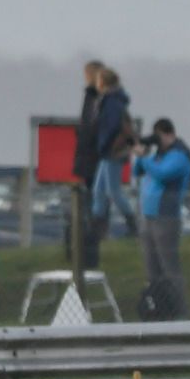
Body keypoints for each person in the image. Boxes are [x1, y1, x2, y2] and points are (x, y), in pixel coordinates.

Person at [131, 117, 190, 321]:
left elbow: (163, 174)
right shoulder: (158, 155)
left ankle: (179, 311)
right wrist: (141, 154)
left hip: (166, 217)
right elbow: (136, 171)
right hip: (148, 216)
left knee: (169, 267)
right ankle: (159, 308)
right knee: (152, 268)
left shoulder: (180, 155)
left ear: (169, 134)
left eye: (159, 137)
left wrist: (145, 158)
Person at [91, 68, 138, 237]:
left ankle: (133, 224)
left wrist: (104, 142)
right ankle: (96, 226)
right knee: (99, 190)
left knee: (113, 190)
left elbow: (111, 126)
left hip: (112, 150)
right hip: (108, 151)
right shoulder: (113, 100)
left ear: (102, 82)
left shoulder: (111, 102)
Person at [73, 60, 105, 268]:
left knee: (92, 201)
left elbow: (90, 126)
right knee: (91, 200)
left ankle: (91, 246)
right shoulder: (95, 97)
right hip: (90, 155)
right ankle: (88, 244)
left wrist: (84, 138)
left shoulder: (95, 97)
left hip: (91, 156)